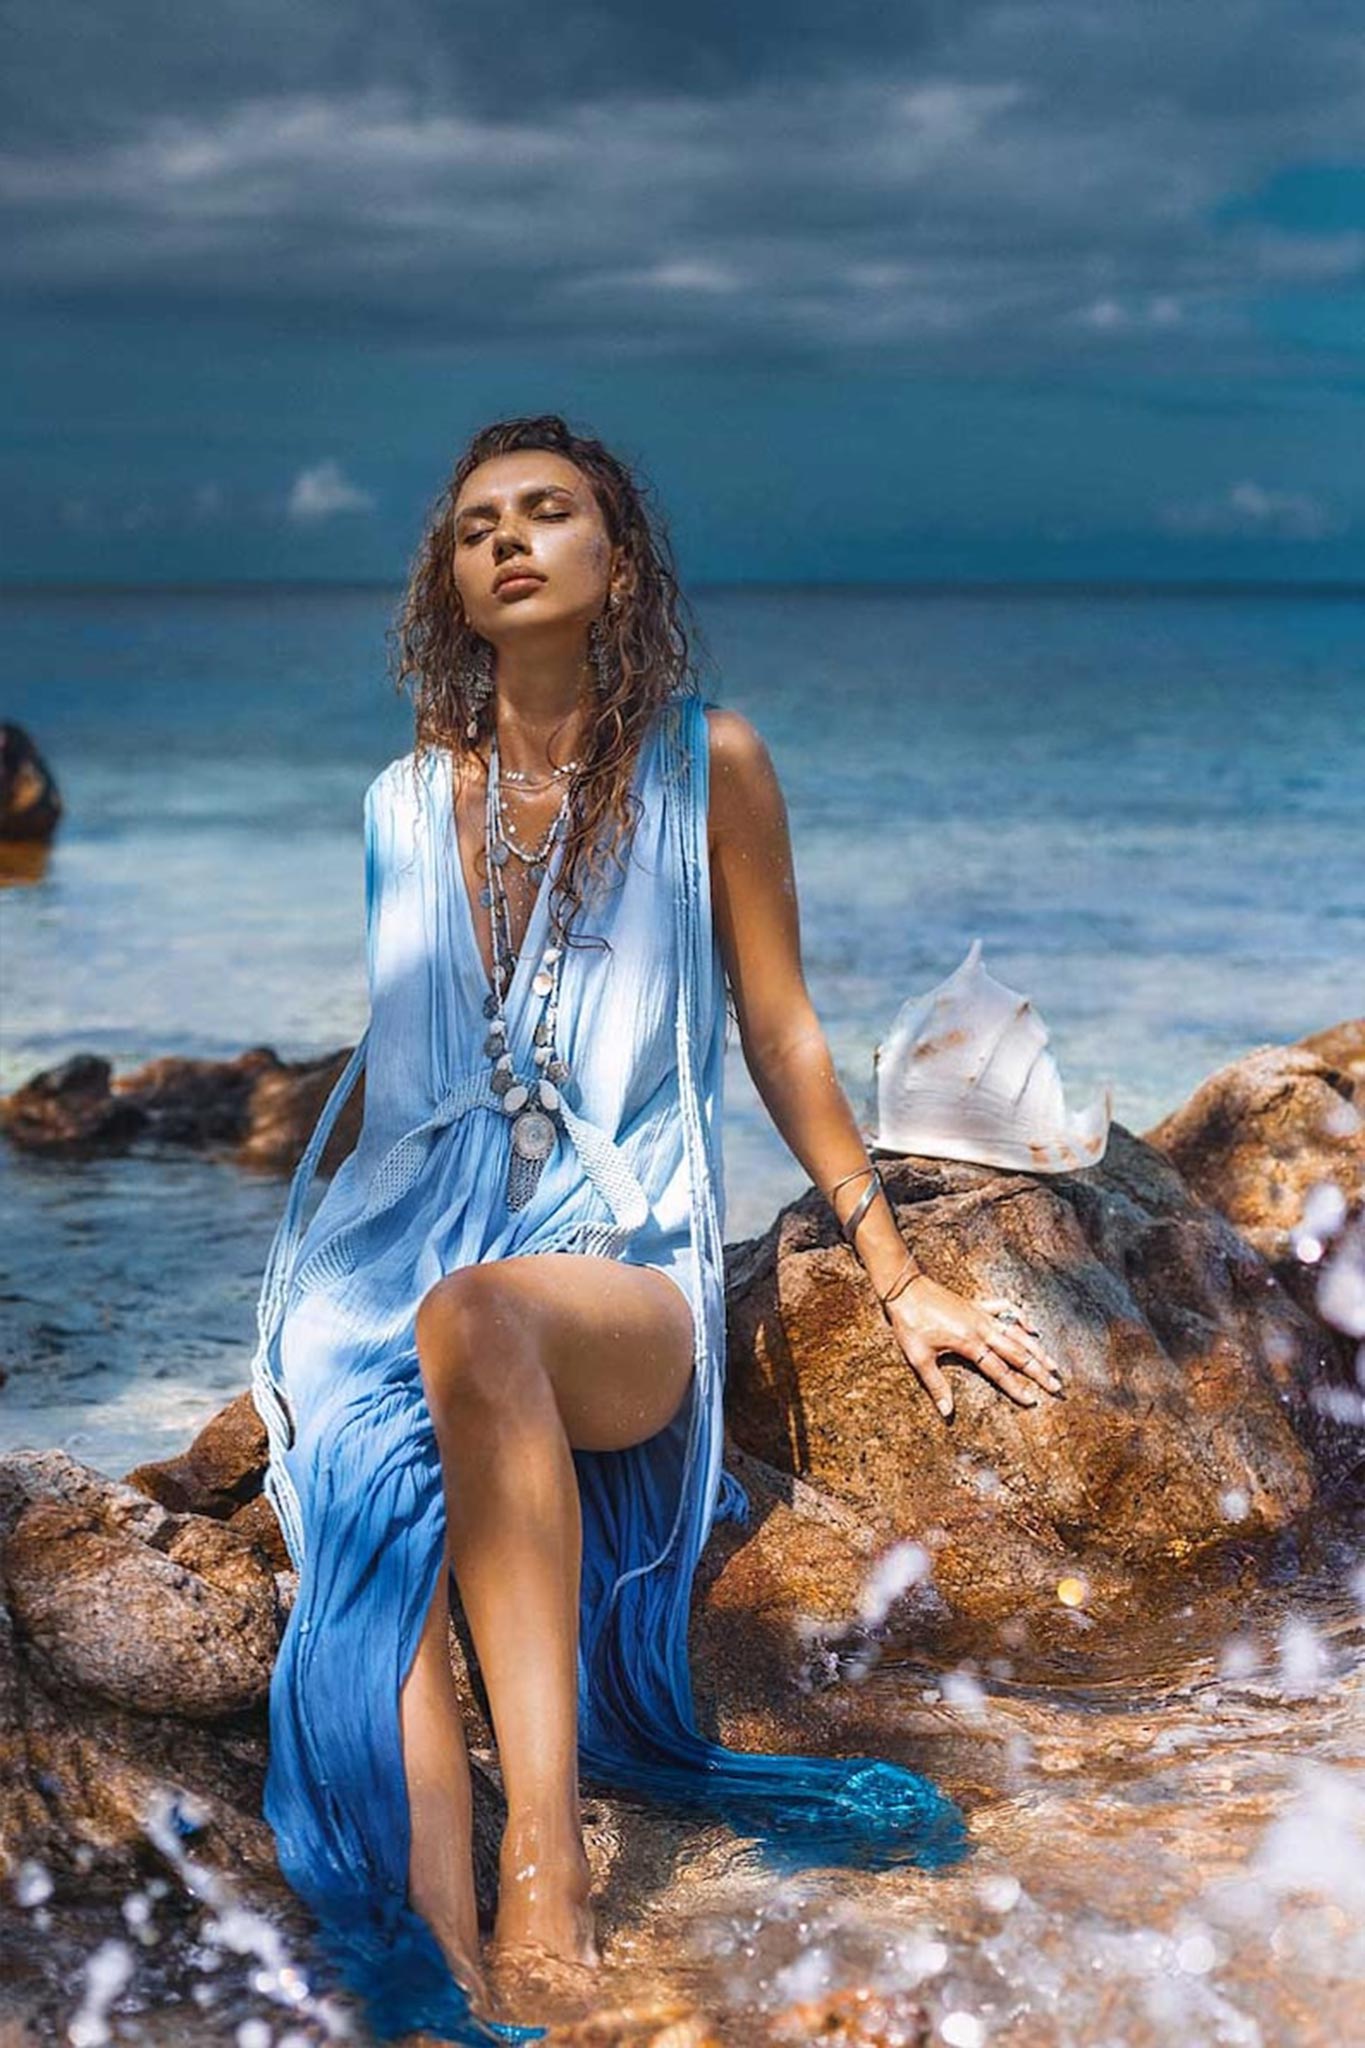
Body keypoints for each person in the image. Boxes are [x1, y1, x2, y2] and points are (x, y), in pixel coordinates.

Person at [249, 414, 1066, 2043]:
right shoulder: (401, 803)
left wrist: (892, 1269)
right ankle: (434, 1953)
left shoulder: (710, 764)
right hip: (394, 1252)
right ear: (450, 584)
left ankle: (546, 1863)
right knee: (370, 1531)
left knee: (480, 1317)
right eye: (476, 524)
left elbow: (779, 1031)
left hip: (610, 1263)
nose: (508, 538)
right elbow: (418, 1066)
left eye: (548, 511)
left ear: (618, 565)